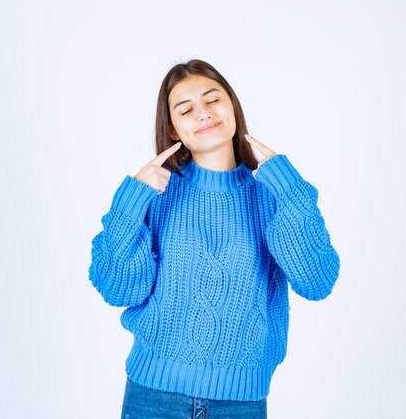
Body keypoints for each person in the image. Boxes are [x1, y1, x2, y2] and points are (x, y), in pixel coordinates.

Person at [89, 59, 340, 418]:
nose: (203, 113)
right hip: (153, 398)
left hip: (241, 404)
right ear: (174, 130)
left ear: (232, 107)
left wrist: (289, 188)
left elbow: (317, 281)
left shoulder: (271, 194)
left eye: (213, 100)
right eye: (186, 109)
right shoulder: (155, 194)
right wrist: (130, 204)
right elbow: (118, 289)